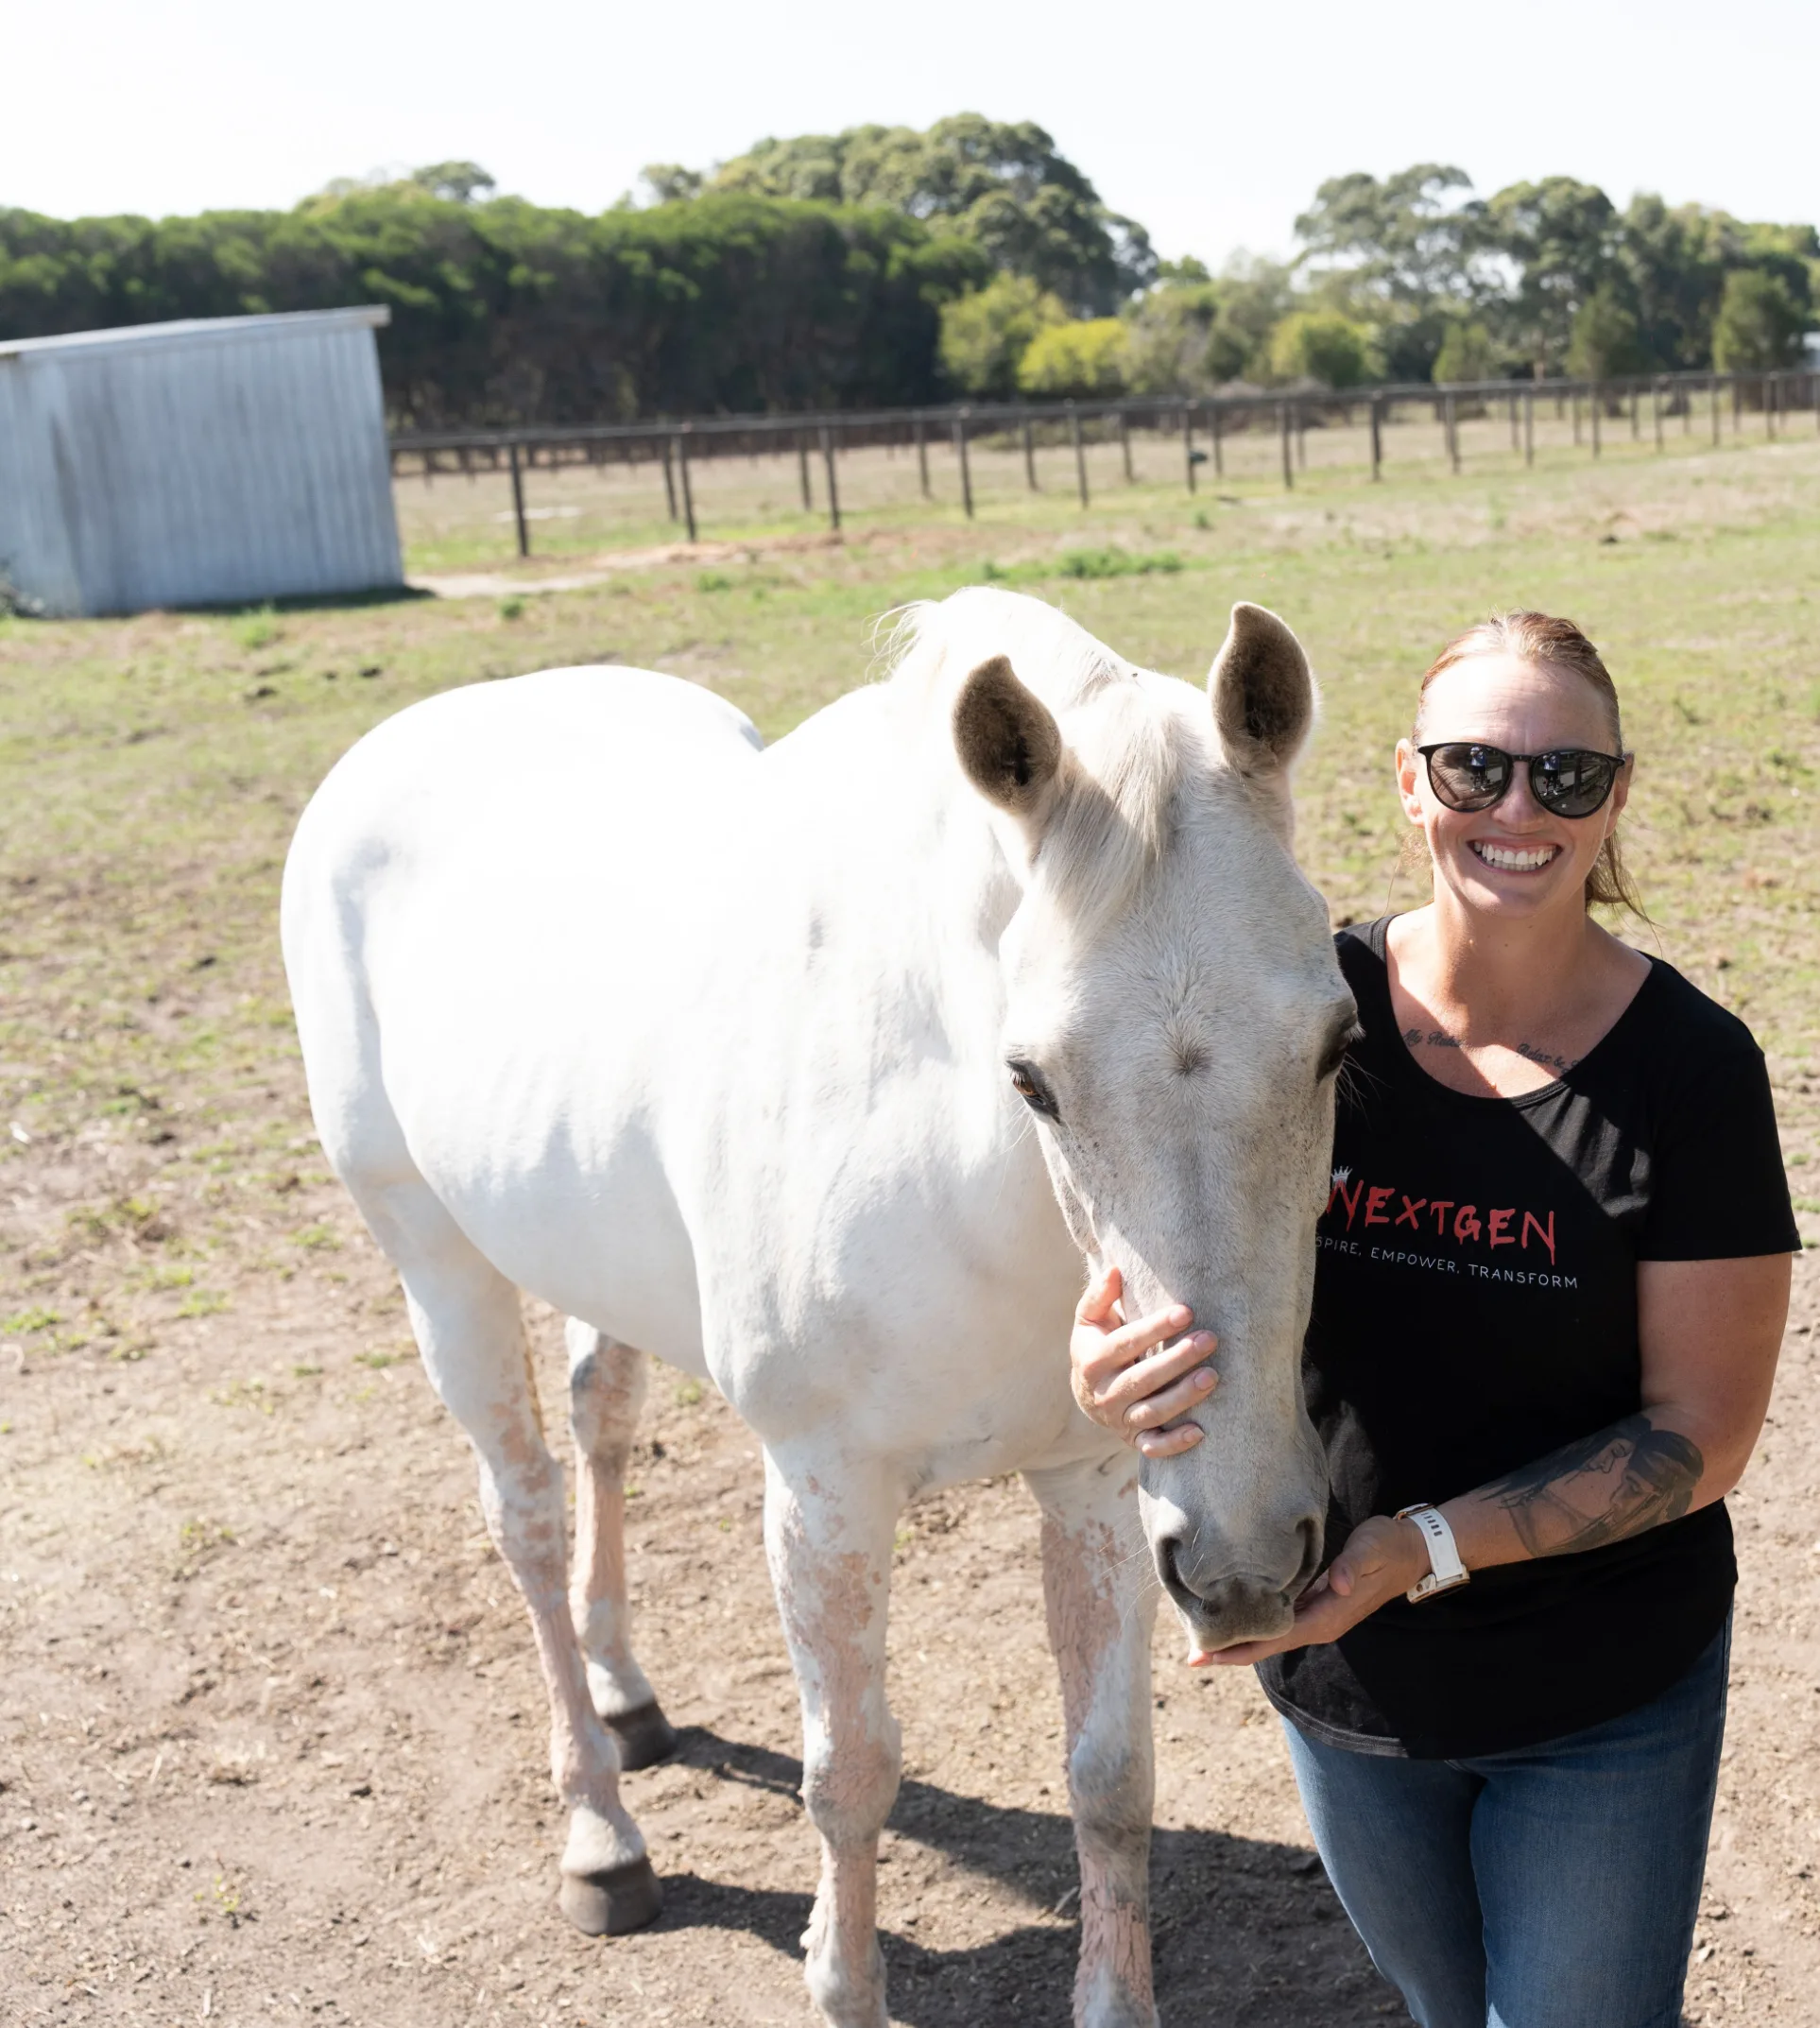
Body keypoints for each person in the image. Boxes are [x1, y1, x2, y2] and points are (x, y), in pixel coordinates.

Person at [1069, 612, 1798, 2028]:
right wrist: (1101, 1367)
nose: (1516, 809)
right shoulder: (1299, 1018)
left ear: (1616, 798)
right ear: (1408, 783)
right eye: (1474, 768)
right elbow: (1171, 1257)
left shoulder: (1690, 1073)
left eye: (1563, 778)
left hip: (1601, 1696)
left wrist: (1423, 1547)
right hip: (1347, 1682)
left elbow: (1698, 1439)